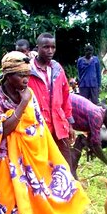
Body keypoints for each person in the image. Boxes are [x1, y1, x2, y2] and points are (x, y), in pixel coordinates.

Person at [0, 51, 89, 214]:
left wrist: (52, 160)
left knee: (38, 199)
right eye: (21, 75)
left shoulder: (29, 92)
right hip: (6, 161)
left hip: (32, 159)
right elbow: (2, 130)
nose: (26, 79)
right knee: (7, 203)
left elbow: (38, 128)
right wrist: (22, 105)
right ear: (7, 75)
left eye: (27, 75)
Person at [28, 32, 75, 165]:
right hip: (38, 128)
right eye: (46, 47)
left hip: (59, 126)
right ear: (37, 47)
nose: (50, 51)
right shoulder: (28, 70)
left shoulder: (57, 68)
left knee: (65, 165)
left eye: (53, 47)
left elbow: (66, 97)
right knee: (43, 167)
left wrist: (70, 124)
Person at [70, 93, 107, 177]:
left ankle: (72, 175)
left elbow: (92, 143)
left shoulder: (98, 114)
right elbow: (96, 144)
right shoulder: (97, 116)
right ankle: (71, 176)